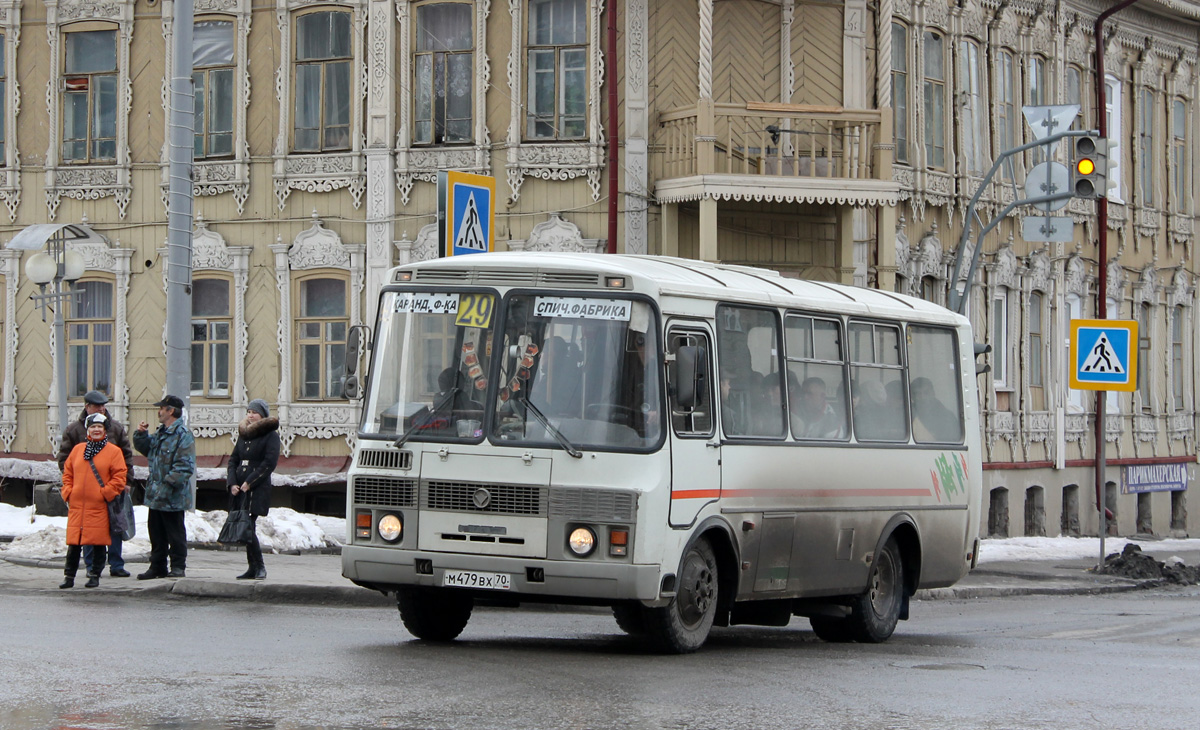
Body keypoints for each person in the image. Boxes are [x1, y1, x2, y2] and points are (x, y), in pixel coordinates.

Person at [56, 390, 135, 577]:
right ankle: (91, 567)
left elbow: (126, 456)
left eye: (102, 406)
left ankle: (116, 564)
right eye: (96, 406)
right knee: (88, 531)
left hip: (111, 490)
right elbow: (65, 461)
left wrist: (126, 482)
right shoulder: (74, 430)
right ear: (87, 407)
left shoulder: (114, 427)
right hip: (86, 494)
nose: (100, 409)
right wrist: (71, 489)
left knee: (115, 526)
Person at [133, 395, 196, 580]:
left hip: (173, 496)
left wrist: (167, 485)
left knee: (175, 532)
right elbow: (147, 449)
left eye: (161, 408)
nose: (158, 412)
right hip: (156, 494)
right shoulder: (161, 433)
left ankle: (177, 566)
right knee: (156, 532)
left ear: (170, 411)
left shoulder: (183, 435)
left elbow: (184, 467)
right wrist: (141, 435)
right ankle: (157, 566)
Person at [226, 399, 280, 580]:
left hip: (256, 488)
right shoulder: (244, 435)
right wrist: (232, 482)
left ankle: (260, 567)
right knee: (245, 526)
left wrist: (250, 481)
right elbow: (234, 460)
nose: (250, 415)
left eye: (254, 412)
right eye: (248, 411)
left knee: (248, 526)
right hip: (240, 488)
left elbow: (269, 463)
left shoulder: (270, 435)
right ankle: (252, 567)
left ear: (262, 415)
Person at [910, 377, 961, 442]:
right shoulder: (907, 416)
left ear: (933, 393)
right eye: (918, 394)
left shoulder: (947, 417)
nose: (922, 397)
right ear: (912, 397)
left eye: (926, 393)